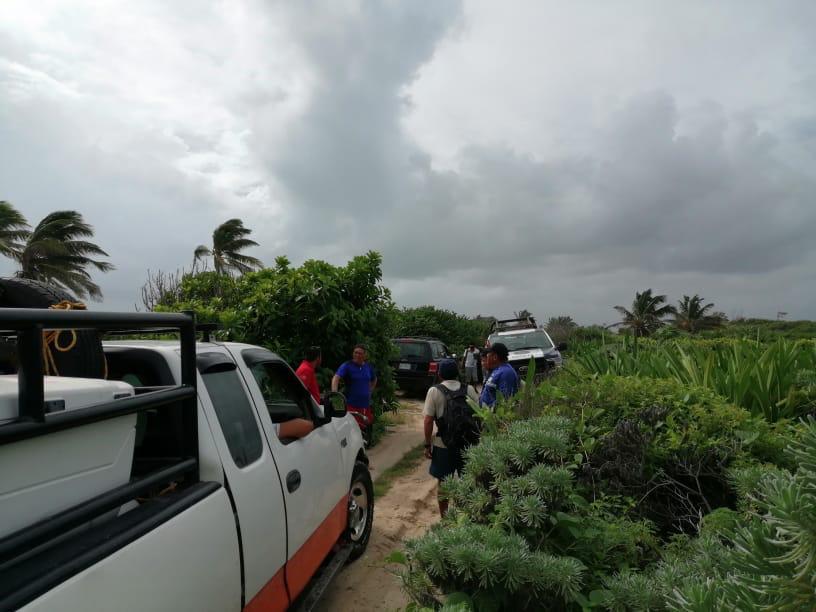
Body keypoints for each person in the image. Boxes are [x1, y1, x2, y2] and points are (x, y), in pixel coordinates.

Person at [423, 359, 479, 517]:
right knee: (468, 482)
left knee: (443, 483)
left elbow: (428, 421)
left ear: (440, 374)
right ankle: (468, 517)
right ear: (457, 373)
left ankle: (446, 518)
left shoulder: (434, 391)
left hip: (443, 444)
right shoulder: (469, 389)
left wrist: (427, 445)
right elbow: (479, 415)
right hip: (467, 444)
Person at [332, 344, 377, 426]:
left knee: (366, 428)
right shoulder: (347, 365)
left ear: (364, 355)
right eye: (355, 352)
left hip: (365, 405)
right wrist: (335, 395)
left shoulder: (368, 367)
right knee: (353, 429)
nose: (357, 355)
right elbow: (336, 378)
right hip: (351, 406)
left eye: (360, 353)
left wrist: (370, 391)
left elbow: (374, 379)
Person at [479, 342, 519, 408]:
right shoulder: (497, 369)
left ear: (495, 357)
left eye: (488, 355)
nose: (487, 358)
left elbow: (504, 400)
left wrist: (490, 410)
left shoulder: (506, 373)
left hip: (490, 413)